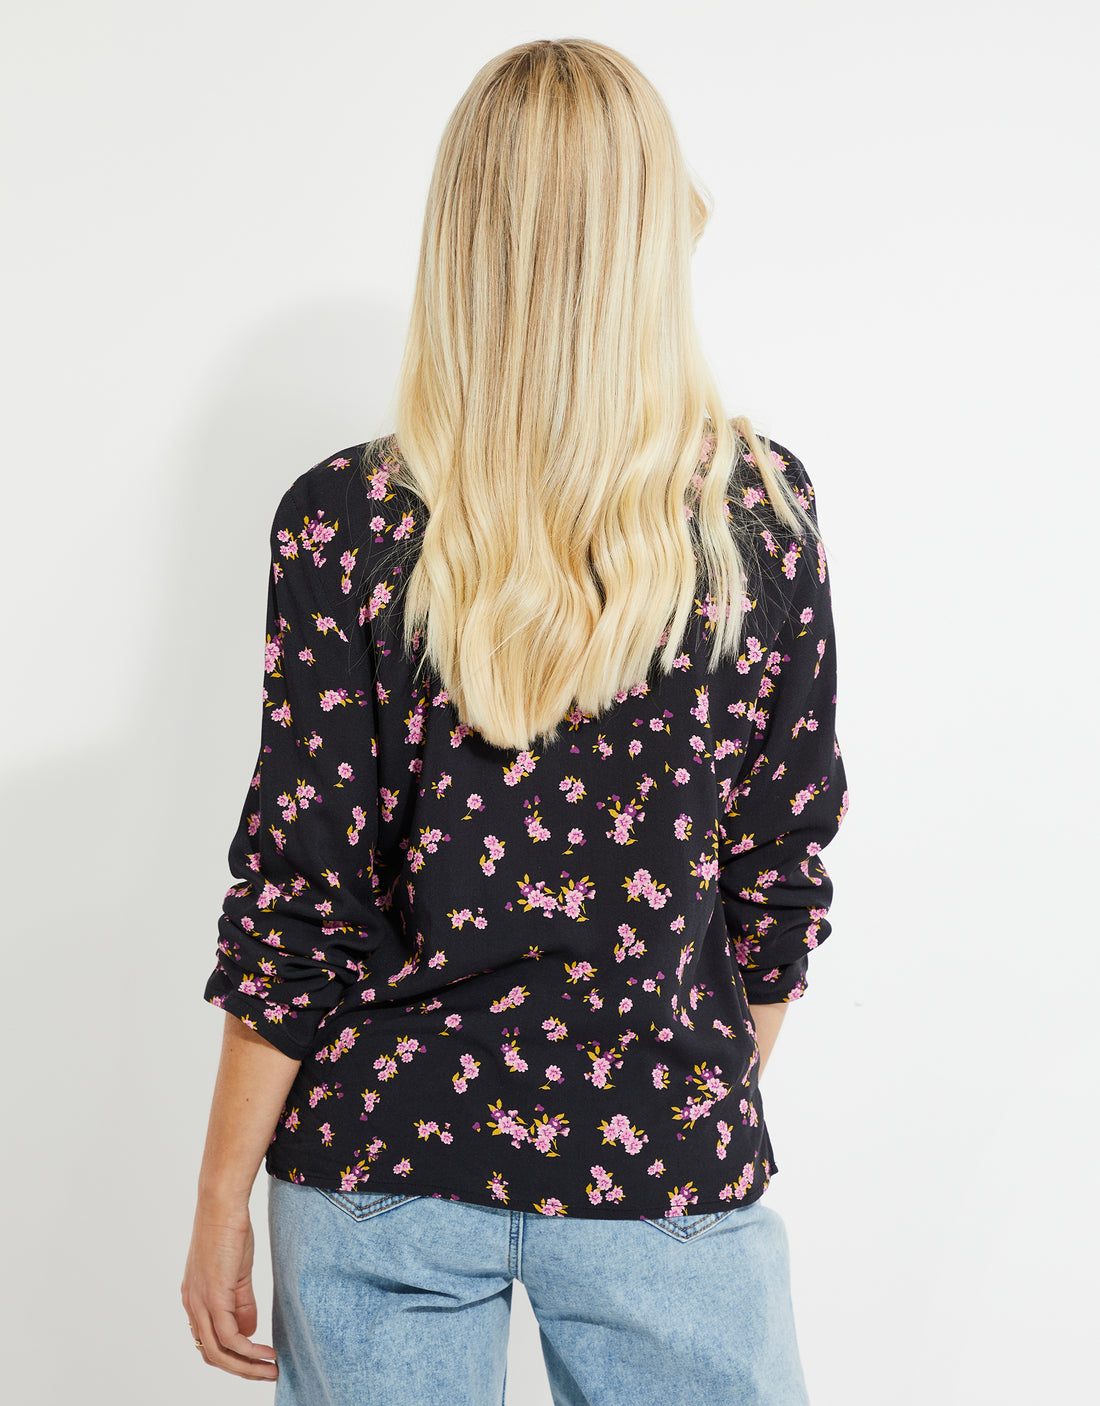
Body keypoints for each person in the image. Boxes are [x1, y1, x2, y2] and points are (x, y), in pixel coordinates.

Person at [181, 35, 847, 1405]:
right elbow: (778, 879)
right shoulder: (757, 517)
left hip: (380, 1162)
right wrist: (671, 1095)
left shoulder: (348, 518)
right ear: (651, 232)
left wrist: (217, 1199)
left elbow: (302, 899)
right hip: (662, 1155)